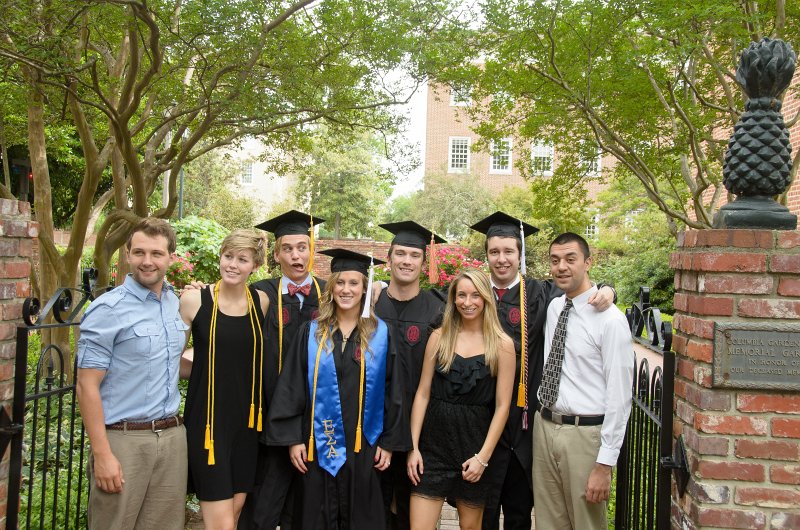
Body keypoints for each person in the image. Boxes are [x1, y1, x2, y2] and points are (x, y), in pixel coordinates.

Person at [469, 211, 616, 530]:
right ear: (487, 256)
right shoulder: (472, 295)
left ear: (520, 254)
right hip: (480, 420)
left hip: (525, 423)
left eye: (509, 251)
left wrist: (608, 289)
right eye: (494, 252)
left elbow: (581, 290)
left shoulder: (542, 294)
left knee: (520, 511)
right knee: (481, 512)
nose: (502, 259)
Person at [265, 248, 409, 529]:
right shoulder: (311, 333)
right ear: (331, 288)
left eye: (354, 283)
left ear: (364, 289)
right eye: (340, 283)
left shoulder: (381, 335)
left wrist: (389, 444)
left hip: (364, 445)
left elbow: (395, 392)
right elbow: (291, 386)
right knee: (316, 515)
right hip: (318, 444)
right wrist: (293, 438)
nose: (346, 290)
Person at [76, 218, 188, 530]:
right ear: (127, 255)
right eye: (139, 252)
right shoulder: (107, 309)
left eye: (156, 253)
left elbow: (169, 363)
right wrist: (102, 454)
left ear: (170, 257)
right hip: (123, 441)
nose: (147, 261)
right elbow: (87, 386)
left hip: (171, 439)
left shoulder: (172, 302)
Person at [533, 232, 633, 530]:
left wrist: (605, 464)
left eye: (570, 259)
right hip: (546, 427)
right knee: (549, 523)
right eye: (555, 260)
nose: (561, 266)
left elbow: (620, 395)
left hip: (584, 436)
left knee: (586, 523)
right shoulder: (554, 308)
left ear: (588, 262)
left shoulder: (610, 320)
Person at [406, 269, 515, 530]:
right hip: (433, 448)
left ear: (486, 298)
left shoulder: (502, 345)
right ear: (453, 299)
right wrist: (413, 447)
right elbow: (423, 393)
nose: (468, 302)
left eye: (476, 295)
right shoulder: (439, 337)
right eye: (461, 295)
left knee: (470, 526)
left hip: (473, 447)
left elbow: (502, 407)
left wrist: (483, 458)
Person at [238, 210, 326, 530]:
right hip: (270, 418)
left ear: (311, 250)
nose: (296, 255)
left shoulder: (331, 295)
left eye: (302, 247)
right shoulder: (260, 293)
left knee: (306, 512)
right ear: (276, 255)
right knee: (262, 509)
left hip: (317, 421)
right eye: (287, 248)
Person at [180, 229, 270, 529]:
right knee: (221, 523)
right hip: (208, 424)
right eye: (227, 256)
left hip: (247, 424)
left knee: (233, 514)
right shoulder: (195, 300)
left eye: (242, 259)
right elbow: (170, 359)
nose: (232, 264)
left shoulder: (261, 302)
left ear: (255, 266)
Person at [375, 221, 447, 530]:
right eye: (400, 253)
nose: (407, 260)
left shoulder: (439, 309)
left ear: (424, 262)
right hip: (373, 424)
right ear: (388, 259)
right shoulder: (368, 302)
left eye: (414, 255)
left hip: (422, 428)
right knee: (373, 505)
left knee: (412, 510)